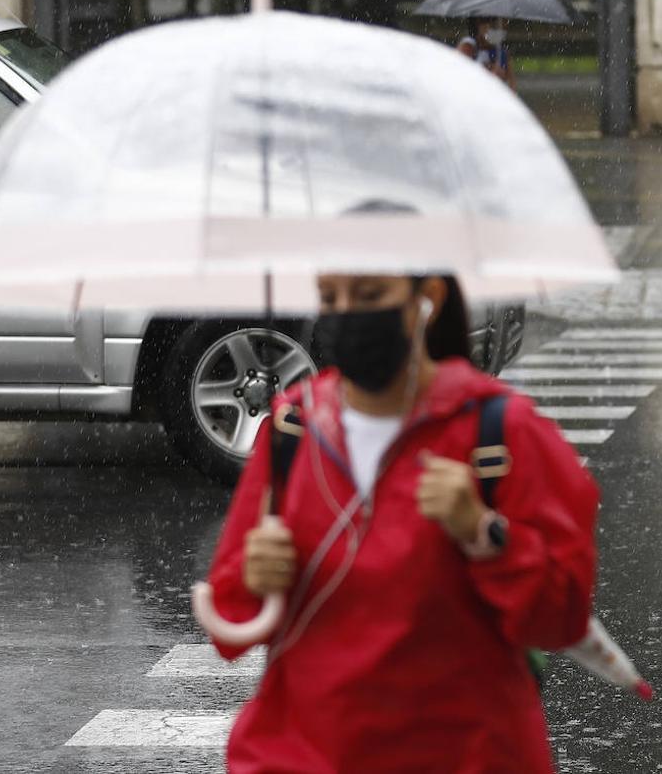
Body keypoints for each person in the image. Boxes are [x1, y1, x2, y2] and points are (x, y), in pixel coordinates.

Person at [203, 272, 598, 772]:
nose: (346, 312)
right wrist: (251, 580)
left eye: (368, 295)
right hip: (305, 756)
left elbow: (561, 616)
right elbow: (228, 623)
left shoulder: (501, 432)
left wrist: (484, 532)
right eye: (330, 297)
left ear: (426, 298)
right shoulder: (292, 430)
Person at [458, 17, 517, 92]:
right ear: (479, 25)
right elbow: (460, 76)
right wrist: (487, 72)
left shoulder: (501, 53)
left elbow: (512, 85)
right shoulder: (468, 46)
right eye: (494, 27)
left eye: (503, 28)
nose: (500, 31)